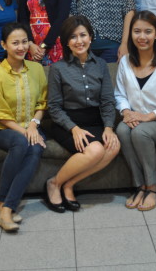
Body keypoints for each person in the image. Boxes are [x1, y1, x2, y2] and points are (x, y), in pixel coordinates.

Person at [44, 16, 120, 212]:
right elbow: (54, 107)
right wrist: (74, 129)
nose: (79, 41)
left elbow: (107, 101)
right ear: (66, 42)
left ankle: (68, 184)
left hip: (94, 120)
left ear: (91, 37)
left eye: (83, 35)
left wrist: (109, 127)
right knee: (96, 150)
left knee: (113, 146)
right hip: (67, 122)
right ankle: (54, 183)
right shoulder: (58, 68)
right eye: (73, 37)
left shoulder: (101, 64)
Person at [115, 11, 156, 211]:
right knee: (122, 130)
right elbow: (119, 94)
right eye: (136, 31)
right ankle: (139, 186)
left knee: (140, 131)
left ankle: (152, 188)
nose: (141, 37)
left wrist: (148, 116)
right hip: (135, 119)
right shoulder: (125, 62)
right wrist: (126, 112)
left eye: (147, 31)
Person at [0, 23, 48, 232]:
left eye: (24, 42)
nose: (21, 47)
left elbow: (42, 103)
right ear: (4, 45)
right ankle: (4, 206)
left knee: (36, 148)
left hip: (32, 126)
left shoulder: (37, 69)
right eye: (15, 43)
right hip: (4, 130)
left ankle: (4, 208)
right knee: (23, 142)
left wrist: (33, 125)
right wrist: (26, 131)